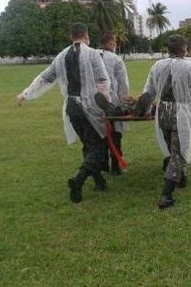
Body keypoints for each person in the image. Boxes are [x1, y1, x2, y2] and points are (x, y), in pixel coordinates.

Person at [17, 23, 111, 203]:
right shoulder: (92, 54)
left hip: (71, 108)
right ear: (86, 35)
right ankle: (78, 181)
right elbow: (102, 81)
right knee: (98, 149)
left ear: (71, 36)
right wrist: (106, 104)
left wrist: (25, 94)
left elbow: (45, 78)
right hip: (89, 107)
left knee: (88, 144)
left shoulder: (60, 56)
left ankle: (100, 181)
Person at [143, 35, 191, 209]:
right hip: (180, 113)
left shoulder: (157, 65)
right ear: (185, 49)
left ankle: (181, 178)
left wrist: (143, 109)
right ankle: (166, 195)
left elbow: (148, 92)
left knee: (172, 149)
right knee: (178, 153)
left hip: (162, 113)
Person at [97, 32, 130, 175]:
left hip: (94, 101)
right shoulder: (116, 59)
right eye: (115, 42)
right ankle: (115, 166)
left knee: (99, 134)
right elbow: (123, 84)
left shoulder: (91, 56)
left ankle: (102, 165)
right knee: (115, 134)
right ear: (111, 43)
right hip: (112, 101)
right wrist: (126, 102)